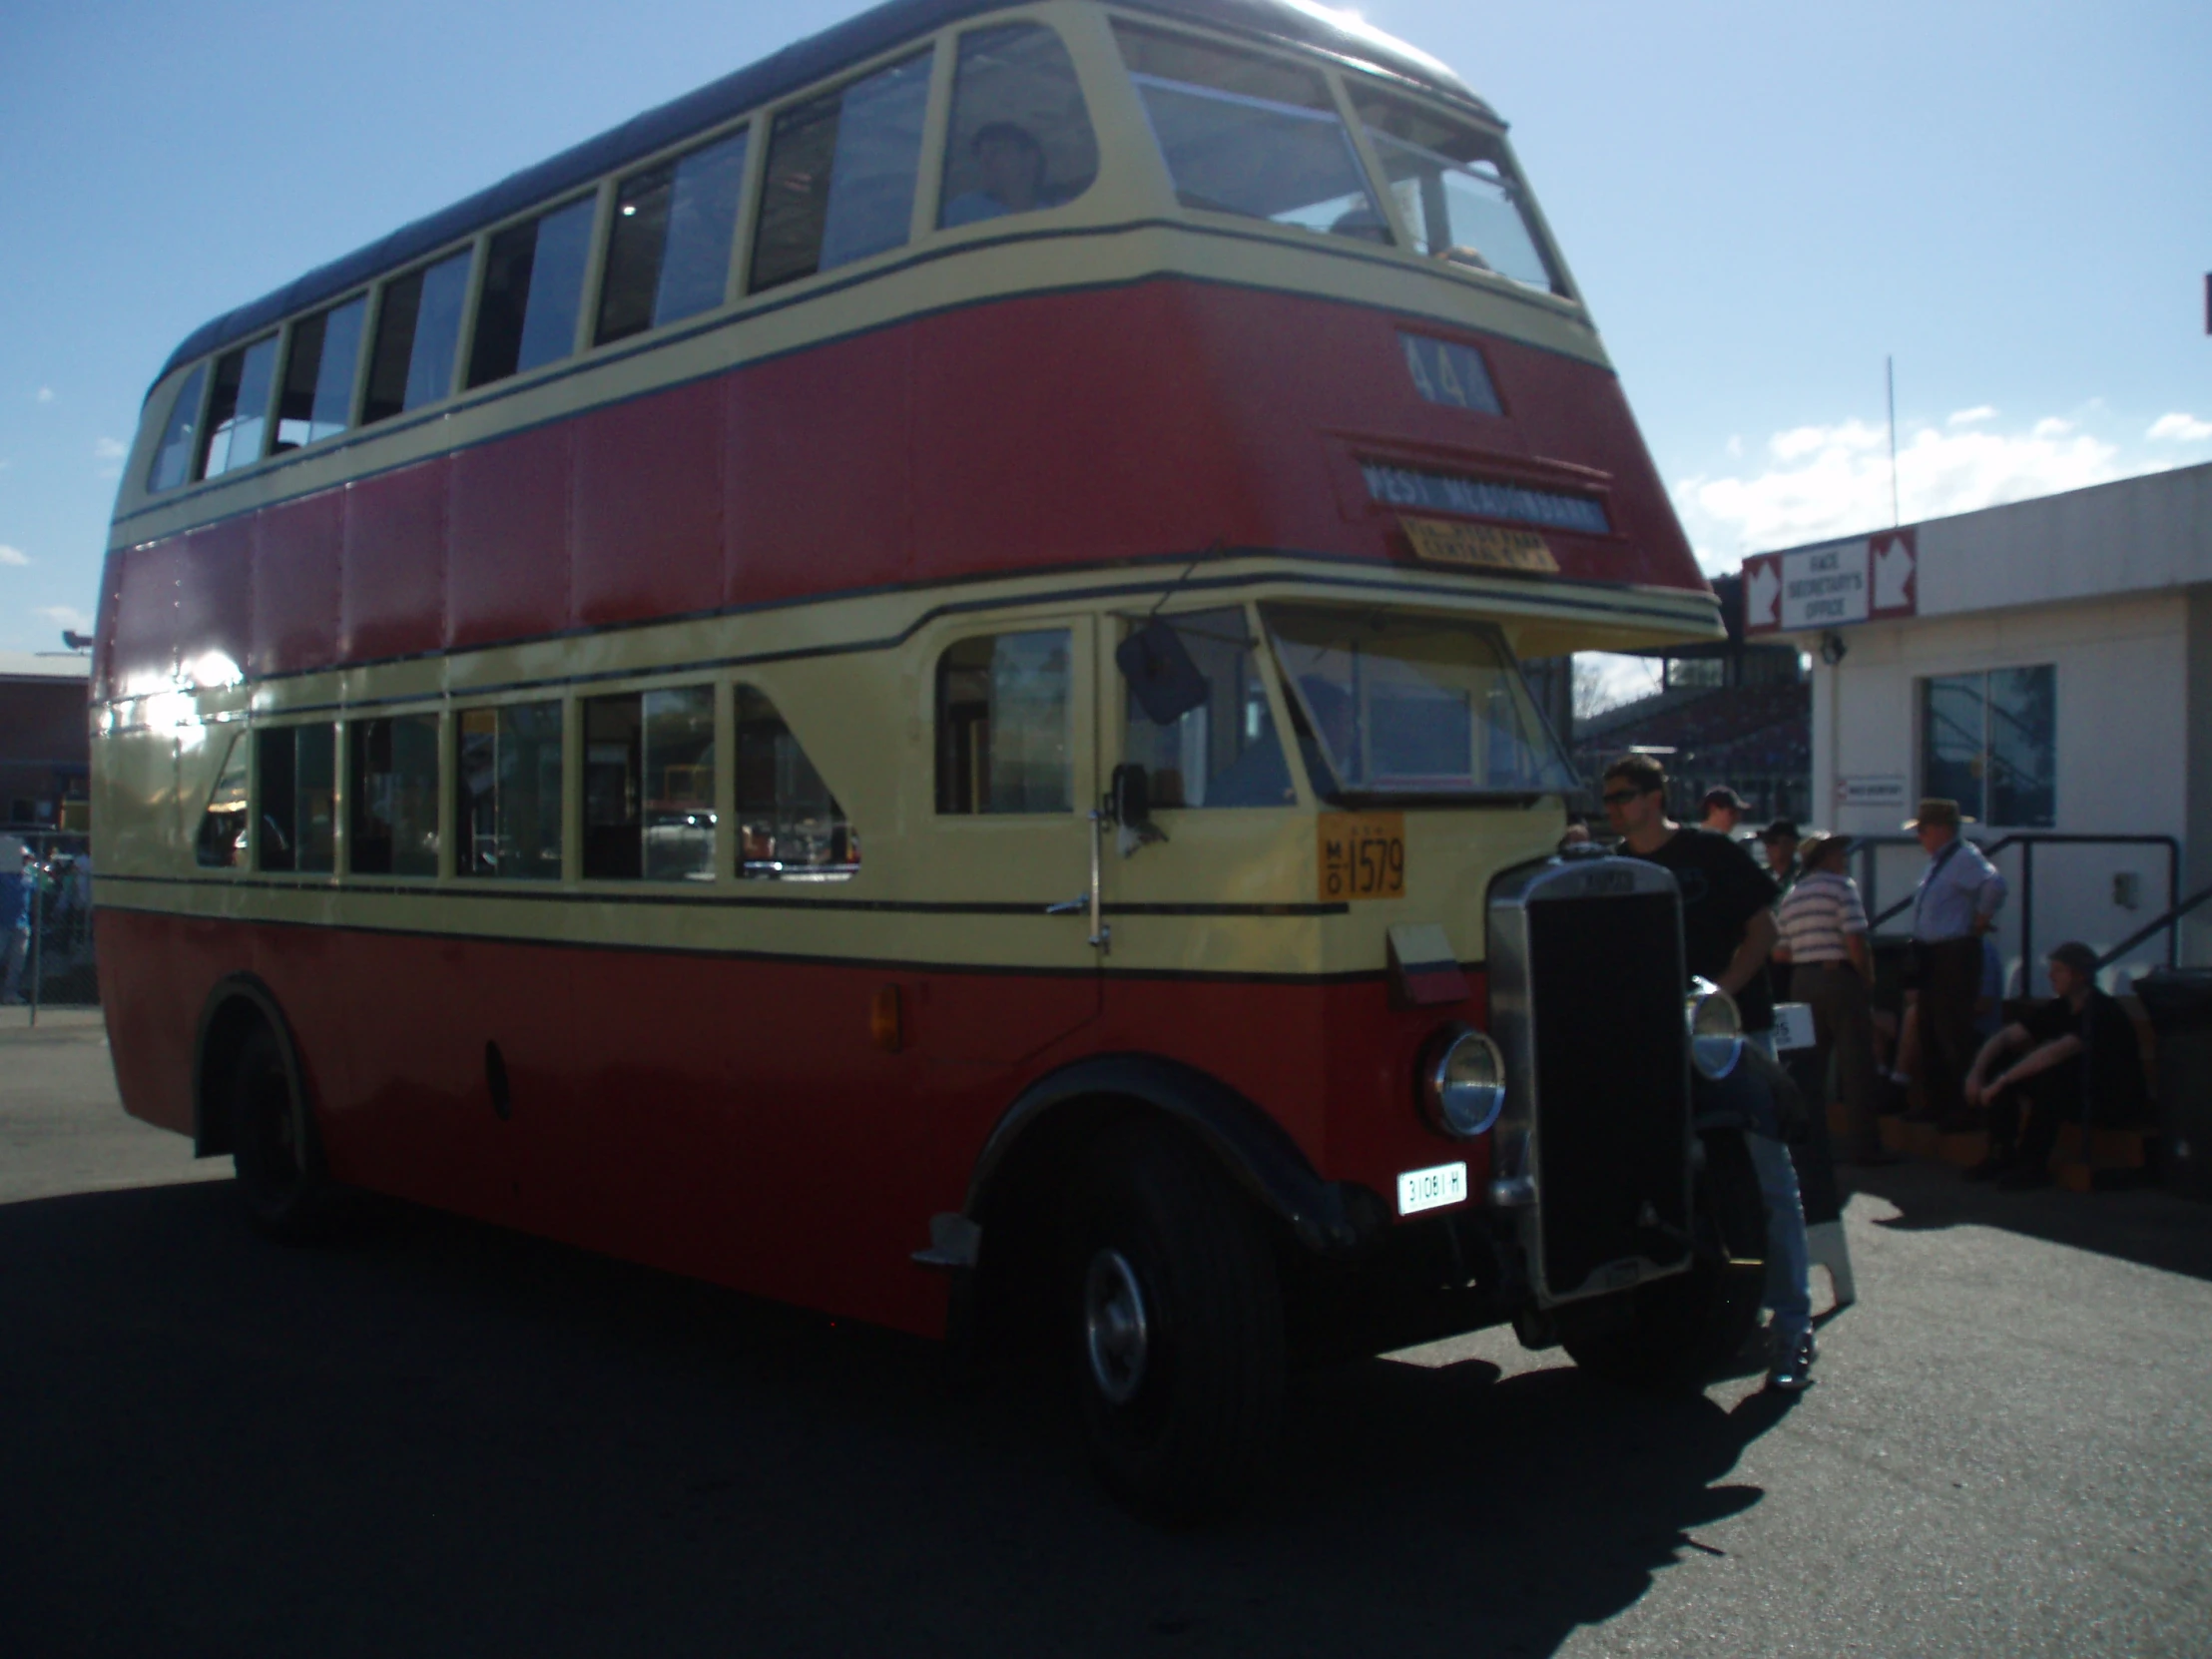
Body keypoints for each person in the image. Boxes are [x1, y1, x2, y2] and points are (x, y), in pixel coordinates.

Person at [1603, 754, 1812, 1388]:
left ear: (1657, 796)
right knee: (1677, 1179)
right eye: (1607, 794)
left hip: (1731, 1033)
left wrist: (1717, 997)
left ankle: (1794, 1329)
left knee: (1768, 1173)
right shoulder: (1612, 870)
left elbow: (1764, 929)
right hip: (1654, 1045)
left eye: (1626, 793)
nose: (1614, 804)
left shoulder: (1713, 854)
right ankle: (1707, 1315)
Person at [1964, 941, 2150, 1190]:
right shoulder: (2059, 1007)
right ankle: (2001, 1152)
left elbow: (2056, 1052)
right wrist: (1976, 1073)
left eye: (2059, 970)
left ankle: (2032, 1163)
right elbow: (2007, 1036)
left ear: (2080, 975)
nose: (2051, 975)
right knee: (2002, 1059)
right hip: (2077, 1092)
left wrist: (2001, 1082)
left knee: (2051, 1074)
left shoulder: (2101, 1010)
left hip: (2109, 1098)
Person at [1776, 832, 1895, 1164]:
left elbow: (1781, 952)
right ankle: (1865, 1149)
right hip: (1838, 977)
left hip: (1802, 981)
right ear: (1826, 857)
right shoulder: (1843, 887)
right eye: (1838, 853)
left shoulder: (1792, 895)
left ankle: (1808, 1147)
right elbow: (1855, 939)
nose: (1843, 858)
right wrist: (1867, 979)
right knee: (1857, 1065)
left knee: (1809, 1068)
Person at [1904, 799, 2007, 1130]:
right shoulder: (1940, 862)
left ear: (1940, 830)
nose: (1919, 837)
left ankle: (1964, 1107)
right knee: (1931, 1030)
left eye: (1922, 830)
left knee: (1953, 1032)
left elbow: (1995, 884)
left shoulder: (1963, 857)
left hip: (1953, 954)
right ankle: (1939, 1103)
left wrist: (1980, 920)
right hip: (1933, 955)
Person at [940, 123, 1054, 226]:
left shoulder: (1056, 212)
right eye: (980, 155)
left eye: (996, 151)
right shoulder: (962, 210)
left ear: (1030, 158)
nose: (985, 161)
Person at [0, 837, 30, 1006]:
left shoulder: (28, 876)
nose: (24, 862)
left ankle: (10, 993)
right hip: (2, 923)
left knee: (17, 961)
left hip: (22, 924)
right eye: (21, 859)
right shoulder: (3, 876)